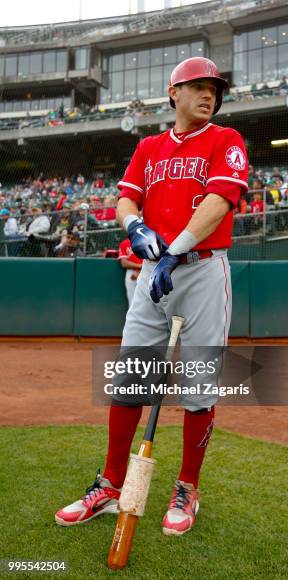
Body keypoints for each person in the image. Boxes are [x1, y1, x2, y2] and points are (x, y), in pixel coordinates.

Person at [55, 57, 248, 535]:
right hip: (152, 274)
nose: (209, 95)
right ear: (173, 93)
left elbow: (221, 202)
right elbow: (126, 198)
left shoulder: (226, 140)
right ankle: (111, 484)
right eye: (198, 87)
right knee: (130, 378)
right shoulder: (149, 146)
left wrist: (173, 250)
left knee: (199, 384)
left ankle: (187, 488)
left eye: (214, 89)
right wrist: (135, 226)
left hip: (202, 271)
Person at [118, 237, 143, 306]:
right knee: (132, 302)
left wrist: (140, 271)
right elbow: (124, 263)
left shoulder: (148, 240)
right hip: (131, 272)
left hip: (148, 272)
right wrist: (139, 267)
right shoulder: (124, 243)